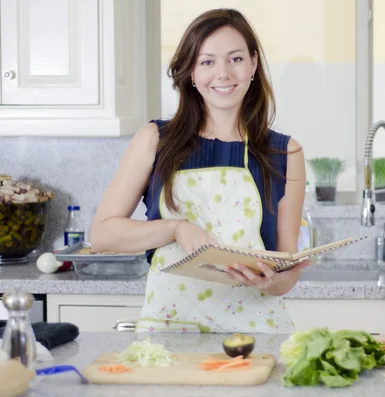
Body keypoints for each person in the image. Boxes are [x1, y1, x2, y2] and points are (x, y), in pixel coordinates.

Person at [90, 8, 310, 333]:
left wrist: (271, 281)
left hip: (258, 335)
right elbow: (102, 235)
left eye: (235, 59)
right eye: (207, 61)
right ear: (191, 72)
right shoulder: (155, 140)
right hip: (170, 333)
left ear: (253, 65)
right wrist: (177, 229)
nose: (223, 73)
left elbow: (286, 272)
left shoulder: (285, 152)